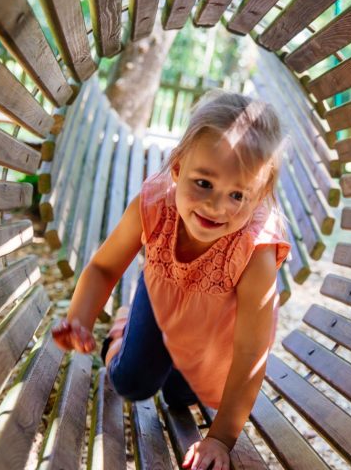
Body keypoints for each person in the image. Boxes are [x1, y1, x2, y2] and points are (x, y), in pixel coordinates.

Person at [52, 91, 290, 470]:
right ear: (177, 169)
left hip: (213, 327)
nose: (216, 206)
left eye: (237, 195)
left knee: (182, 397)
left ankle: (170, 365)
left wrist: (220, 439)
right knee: (132, 383)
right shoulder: (154, 205)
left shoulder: (256, 250)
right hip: (162, 291)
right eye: (204, 183)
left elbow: (250, 351)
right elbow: (103, 268)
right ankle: (122, 331)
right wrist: (79, 317)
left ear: (259, 196)